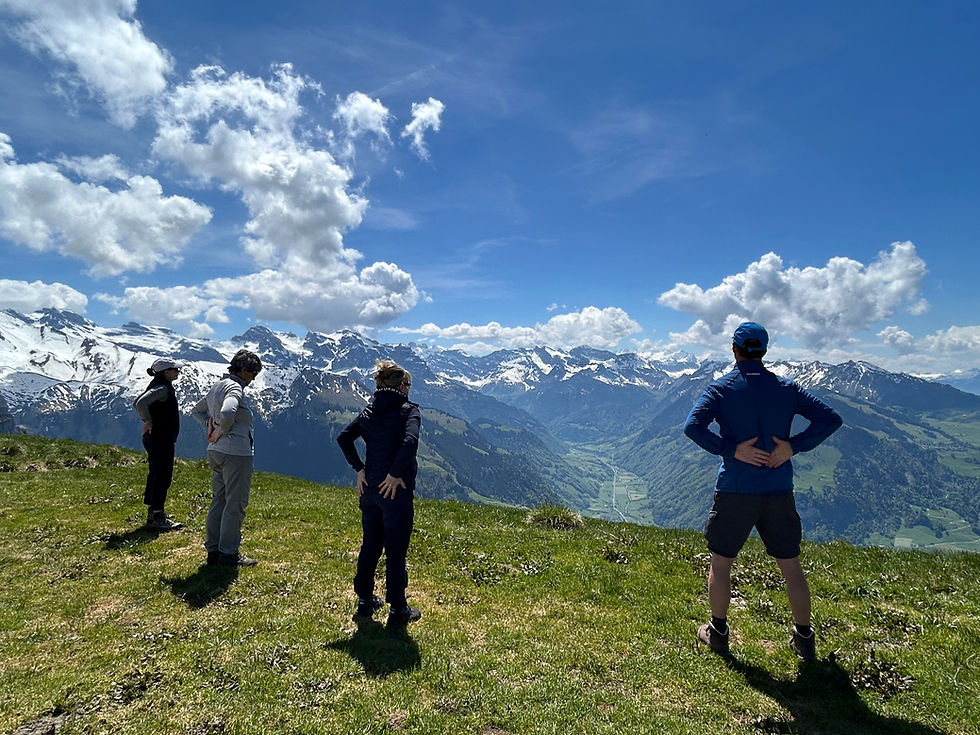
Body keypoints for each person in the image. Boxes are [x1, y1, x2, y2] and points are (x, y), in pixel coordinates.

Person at [684, 322, 842, 661]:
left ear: (734, 349)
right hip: (778, 487)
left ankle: (718, 632)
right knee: (791, 566)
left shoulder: (720, 390)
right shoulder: (787, 389)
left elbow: (692, 427)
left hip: (735, 489)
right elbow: (830, 419)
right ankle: (803, 638)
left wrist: (731, 449)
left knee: (721, 564)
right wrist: (794, 447)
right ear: (765, 351)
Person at [337, 359, 422, 626]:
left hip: (370, 490)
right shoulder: (409, 412)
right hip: (395, 493)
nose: (410, 389)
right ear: (402, 386)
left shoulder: (368, 411)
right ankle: (398, 609)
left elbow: (344, 438)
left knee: (370, 545)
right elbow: (410, 442)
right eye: (408, 384)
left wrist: (359, 469)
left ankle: (364, 599)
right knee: (396, 551)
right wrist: (395, 474)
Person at [192, 349, 263, 567]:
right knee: (236, 503)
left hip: (216, 452)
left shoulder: (217, 386)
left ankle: (213, 549)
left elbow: (197, 411)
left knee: (219, 500)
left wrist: (210, 427)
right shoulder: (234, 387)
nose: (254, 378)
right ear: (242, 369)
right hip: (236, 453)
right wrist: (221, 429)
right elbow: (229, 411)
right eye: (253, 373)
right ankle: (229, 553)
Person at [133, 357, 184, 531]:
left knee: (156, 473)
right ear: (166, 372)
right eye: (175, 369)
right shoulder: (162, 388)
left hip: (157, 437)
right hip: (160, 437)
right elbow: (139, 403)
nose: (178, 372)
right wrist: (148, 420)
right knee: (163, 475)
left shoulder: (160, 385)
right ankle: (157, 516)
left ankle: (154, 512)